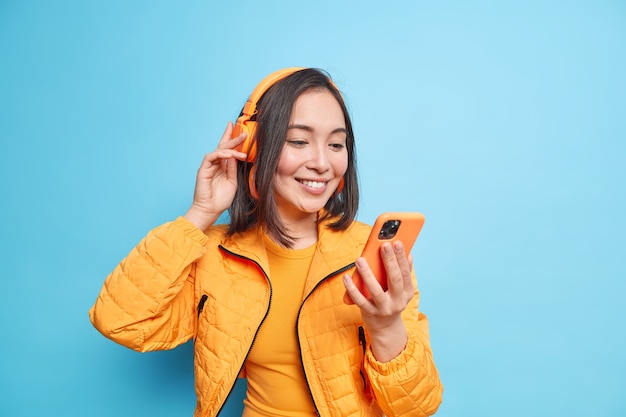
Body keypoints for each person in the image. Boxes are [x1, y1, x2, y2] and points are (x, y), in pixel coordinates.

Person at [89, 67, 443, 417]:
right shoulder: (216, 254)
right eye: (298, 141)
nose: (322, 163)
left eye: (336, 144)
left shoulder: (370, 253)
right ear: (255, 146)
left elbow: (418, 407)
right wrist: (200, 214)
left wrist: (386, 326)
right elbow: (119, 320)